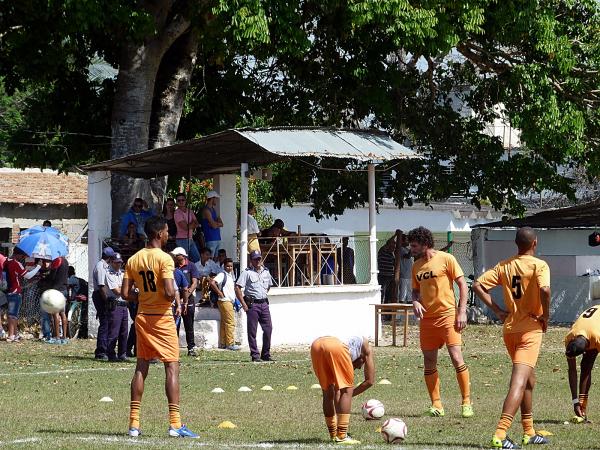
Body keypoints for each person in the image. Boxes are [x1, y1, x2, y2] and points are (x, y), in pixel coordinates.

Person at [473, 226, 551, 448]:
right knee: (519, 381)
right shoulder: (539, 265)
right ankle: (500, 434)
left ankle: (529, 432)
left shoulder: (504, 266)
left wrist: (497, 310)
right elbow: (545, 291)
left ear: (517, 244)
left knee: (529, 380)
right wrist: (546, 316)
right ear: (534, 243)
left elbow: (477, 284)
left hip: (510, 331)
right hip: (530, 330)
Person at [121, 216, 198, 438]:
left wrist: (144, 295)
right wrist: (172, 296)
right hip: (162, 319)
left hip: (143, 316)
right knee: (171, 367)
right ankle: (175, 424)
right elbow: (166, 291)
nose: (168, 235)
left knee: (140, 367)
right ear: (158, 234)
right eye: (166, 232)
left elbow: (126, 293)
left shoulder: (133, 259)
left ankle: (133, 424)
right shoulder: (165, 259)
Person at [408, 226, 473, 419]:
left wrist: (462, 312)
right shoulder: (416, 266)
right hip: (427, 320)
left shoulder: (447, 259)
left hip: (447, 316)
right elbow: (415, 290)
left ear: (425, 244)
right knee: (429, 362)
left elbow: (462, 285)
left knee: (456, 357)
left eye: (414, 245)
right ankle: (437, 405)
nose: (411, 249)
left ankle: (466, 402)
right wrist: (415, 301)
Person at [310, 335, 374, 445]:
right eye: (360, 365)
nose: (358, 368)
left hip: (316, 345)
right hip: (336, 347)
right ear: (362, 358)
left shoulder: (352, 343)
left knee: (327, 391)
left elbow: (336, 393)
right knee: (346, 390)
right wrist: (348, 396)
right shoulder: (366, 347)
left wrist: (344, 398)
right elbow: (370, 381)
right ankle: (342, 436)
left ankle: (333, 434)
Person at [235, 250, 273, 362]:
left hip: (264, 303)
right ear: (251, 260)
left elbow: (269, 286)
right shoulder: (246, 273)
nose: (258, 261)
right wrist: (244, 304)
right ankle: (255, 355)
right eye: (255, 259)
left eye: (259, 259)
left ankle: (266, 353)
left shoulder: (266, 272)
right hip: (252, 304)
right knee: (252, 331)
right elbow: (237, 287)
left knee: (268, 329)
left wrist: (263, 294)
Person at [565, 305, 600, 424]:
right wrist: (575, 401)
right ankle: (581, 407)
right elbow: (572, 370)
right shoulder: (570, 337)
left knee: (586, 365)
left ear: (585, 350)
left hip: (595, 329)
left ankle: (583, 406)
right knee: (586, 366)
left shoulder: (597, 338)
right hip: (590, 327)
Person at [4, 247, 41, 341]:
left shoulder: (6, 261)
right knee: (13, 314)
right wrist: (38, 267)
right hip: (15, 291)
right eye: (22, 255)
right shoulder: (17, 263)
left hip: (8, 290)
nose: (22, 257)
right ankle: (11, 335)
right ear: (18, 255)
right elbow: (28, 275)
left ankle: (15, 334)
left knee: (12, 313)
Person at [172, 247, 200, 356]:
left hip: (188, 298)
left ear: (182, 256)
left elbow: (194, 283)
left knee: (189, 324)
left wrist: (185, 297)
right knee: (175, 326)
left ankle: (191, 348)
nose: (175, 257)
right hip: (176, 299)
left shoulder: (191, 266)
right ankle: (174, 348)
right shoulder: (173, 267)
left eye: (176, 255)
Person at [210, 258, 241, 351]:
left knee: (224, 323)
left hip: (228, 301)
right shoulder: (222, 274)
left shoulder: (231, 275)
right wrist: (219, 292)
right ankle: (230, 343)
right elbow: (212, 282)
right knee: (230, 322)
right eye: (228, 266)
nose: (229, 268)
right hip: (225, 300)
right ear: (224, 266)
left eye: (231, 266)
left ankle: (223, 343)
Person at [39, 255, 70, 343]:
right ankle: (64, 336)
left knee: (55, 314)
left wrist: (46, 277)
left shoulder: (57, 260)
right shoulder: (65, 261)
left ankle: (57, 336)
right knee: (63, 313)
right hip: (64, 289)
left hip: (56, 290)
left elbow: (53, 276)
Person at [105, 253, 128, 362]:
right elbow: (117, 291)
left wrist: (124, 288)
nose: (119, 265)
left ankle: (122, 353)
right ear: (111, 262)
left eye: (120, 262)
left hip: (124, 305)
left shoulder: (122, 274)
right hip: (115, 305)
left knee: (124, 332)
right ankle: (111, 353)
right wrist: (124, 288)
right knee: (114, 332)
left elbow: (129, 287)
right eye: (116, 262)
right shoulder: (109, 274)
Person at [93, 247, 115, 360]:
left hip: (102, 294)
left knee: (106, 322)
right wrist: (106, 301)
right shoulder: (101, 267)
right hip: (101, 295)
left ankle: (104, 349)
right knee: (105, 323)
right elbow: (102, 286)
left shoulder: (104, 266)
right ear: (110, 257)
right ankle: (101, 351)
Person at [174, 193, 201, 263]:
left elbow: (197, 223)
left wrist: (190, 225)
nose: (181, 202)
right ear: (176, 202)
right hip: (181, 240)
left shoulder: (190, 211)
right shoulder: (177, 213)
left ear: (185, 201)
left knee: (197, 259)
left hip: (190, 238)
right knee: (184, 260)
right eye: (179, 200)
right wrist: (192, 224)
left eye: (182, 200)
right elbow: (185, 227)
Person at [200, 190, 223, 257]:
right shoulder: (206, 210)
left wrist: (216, 223)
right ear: (212, 198)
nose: (216, 200)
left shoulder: (213, 209)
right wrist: (217, 223)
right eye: (215, 198)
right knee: (210, 259)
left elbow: (221, 223)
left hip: (217, 238)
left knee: (216, 259)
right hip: (210, 239)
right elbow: (214, 226)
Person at [377, 232, 398, 303]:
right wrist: (395, 235)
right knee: (382, 292)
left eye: (394, 247)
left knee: (389, 294)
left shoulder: (391, 255)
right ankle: (381, 309)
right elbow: (388, 242)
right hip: (383, 275)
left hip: (390, 276)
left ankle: (387, 311)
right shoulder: (383, 251)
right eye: (392, 247)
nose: (393, 248)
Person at [398, 232, 413, 303]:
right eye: (407, 240)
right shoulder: (401, 249)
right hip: (404, 274)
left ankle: (409, 312)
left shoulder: (406, 249)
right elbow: (407, 256)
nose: (408, 242)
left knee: (409, 294)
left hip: (409, 274)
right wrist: (412, 247)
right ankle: (400, 311)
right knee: (403, 294)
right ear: (402, 241)